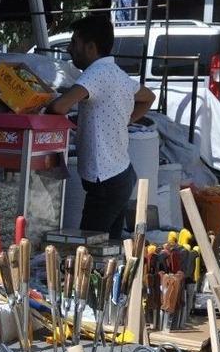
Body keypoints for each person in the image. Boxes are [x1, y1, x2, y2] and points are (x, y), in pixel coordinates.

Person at [47, 15, 156, 239]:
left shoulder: (95, 74)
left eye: (74, 43)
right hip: (118, 176)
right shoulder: (116, 73)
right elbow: (148, 97)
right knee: (108, 250)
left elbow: (59, 106)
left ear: (90, 47)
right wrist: (125, 118)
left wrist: (39, 102)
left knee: (87, 251)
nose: (69, 49)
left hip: (105, 181)